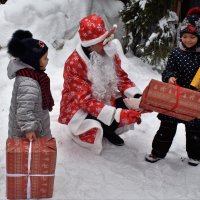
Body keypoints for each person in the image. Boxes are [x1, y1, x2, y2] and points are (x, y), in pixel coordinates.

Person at [58, 14, 142, 154]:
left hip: (104, 96)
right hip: (79, 103)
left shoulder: (108, 52)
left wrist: (137, 96)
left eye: (107, 38)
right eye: (103, 41)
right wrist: (117, 114)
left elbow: (121, 77)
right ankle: (104, 129)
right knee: (105, 117)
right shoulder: (74, 63)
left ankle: (109, 129)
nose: (108, 43)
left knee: (129, 105)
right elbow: (84, 101)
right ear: (90, 45)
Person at [144, 7, 200, 166]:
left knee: (194, 131)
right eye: (185, 36)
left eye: (192, 37)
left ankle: (195, 155)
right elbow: (168, 70)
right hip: (174, 98)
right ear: (181, 36)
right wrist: (169, 77)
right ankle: (157, 152)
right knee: (166, 127)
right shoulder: (176, 53)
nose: (188, 40)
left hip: (194, 100)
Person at [7, 30, 54, 141]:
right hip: (27, 134)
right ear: (33, 61)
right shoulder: (28, 83)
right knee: (28, 157)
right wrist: (29, 129)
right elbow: (24, 108)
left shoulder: (35, 76)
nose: (48, 60)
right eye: (44, 58)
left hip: (38, 124)